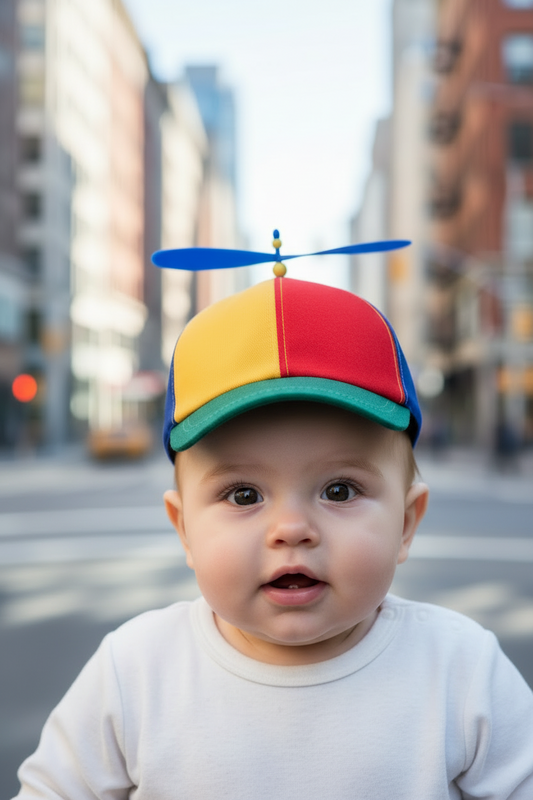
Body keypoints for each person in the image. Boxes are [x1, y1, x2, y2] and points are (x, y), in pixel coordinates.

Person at [13, 277, 533, 799]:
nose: (291, 530)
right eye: (243, 495)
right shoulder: (134, 672)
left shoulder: (462, 671)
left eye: (338, 489)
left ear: (406, 522)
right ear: (184, 529)